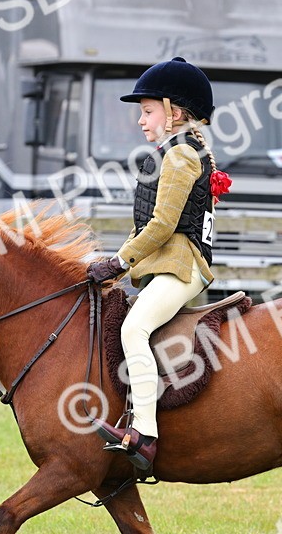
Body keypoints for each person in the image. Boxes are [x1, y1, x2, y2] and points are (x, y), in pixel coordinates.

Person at [85, 57, 230, 471]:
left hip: (181, 268)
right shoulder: (174, 152)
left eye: (147, 111)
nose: (141, 120)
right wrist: (112, 262)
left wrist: (118, 262)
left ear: (175, 113)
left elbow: (163, 226)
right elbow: (148, 226)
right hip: (167, 264)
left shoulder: (181, 156)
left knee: (135, 328)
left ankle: (144, 436)